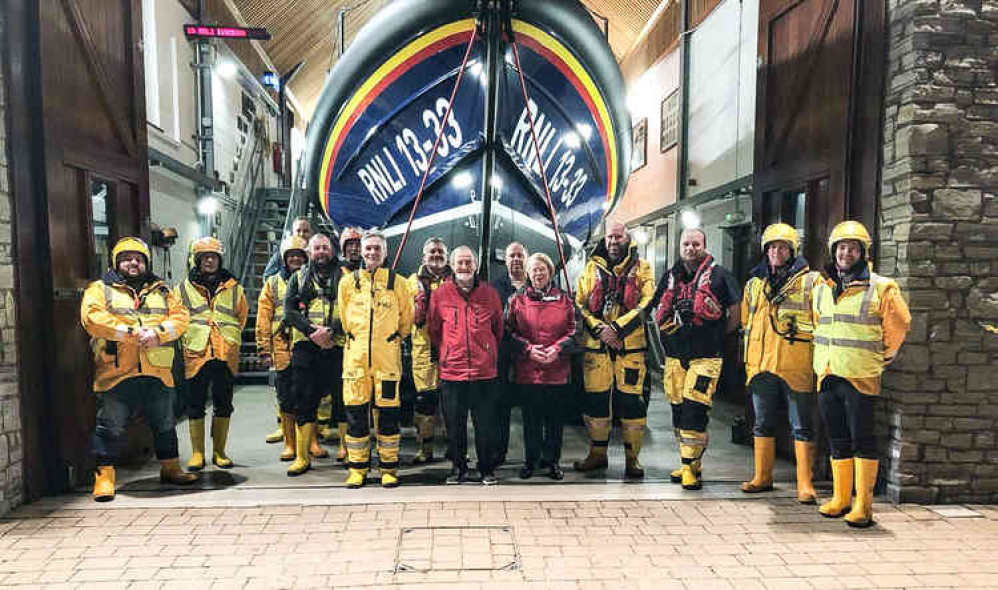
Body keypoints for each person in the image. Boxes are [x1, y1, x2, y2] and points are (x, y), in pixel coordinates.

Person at [82, 237, 199, 501]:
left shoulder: (164, 291)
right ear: (116, 262)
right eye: (127, 258)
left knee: (165, 423)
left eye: (139, 258)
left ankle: (170, 468)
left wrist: (158, 334)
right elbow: (92, 319)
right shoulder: (99, 289)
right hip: (117, 371)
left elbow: (180, 319)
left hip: (157, 369)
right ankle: (104, 478)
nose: (134, 262)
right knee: (110, 425)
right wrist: (131, 333)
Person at [812, 220, 910, 527]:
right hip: (828, 374)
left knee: (862, 439)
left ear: (863, 252)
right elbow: (820, 325)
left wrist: (883, 358)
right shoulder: (822, 286)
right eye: (841, 248)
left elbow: (900, 324)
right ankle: (841, 498)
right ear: (833, 251)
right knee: (837, 438)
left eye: (853, 248)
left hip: (860, 375)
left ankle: (863, 506)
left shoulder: (881, 287)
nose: (846, 253)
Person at [654, 228, 741, 490]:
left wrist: (715, 335)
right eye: (686, 244)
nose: (690, 248)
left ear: (704, 245)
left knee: (695, 411)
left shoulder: (721, 276)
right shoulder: (671, 276)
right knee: (678, 412)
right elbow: (658, 306)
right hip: (674, 356)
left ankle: (691, 469)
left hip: (706, 357)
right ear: (680, 246)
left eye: (695, 243)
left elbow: (736, 313)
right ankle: (689, 462)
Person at [739, 223, 819, 503]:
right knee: (762, 424)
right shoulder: (753, 284)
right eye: (772, 247)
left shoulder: (811, 282)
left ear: (792, 251)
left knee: (801, 426)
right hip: (761, 366)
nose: (776, 252)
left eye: (782, 247)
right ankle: (762, 476)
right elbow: (745, 323)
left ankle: (805, 484)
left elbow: (821, 323)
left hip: (795, 365)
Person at [574, 222, 655, 478]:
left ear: (627, 238)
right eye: (610, 237)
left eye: (618, 237)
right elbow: (580, 303)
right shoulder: (590, 268)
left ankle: (633, 460)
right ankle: (597, 455)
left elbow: (647, 301)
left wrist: (618, 330)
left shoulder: (643, 268)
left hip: (629, 350)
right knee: (596, 403)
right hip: (596, 350)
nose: (613, 241)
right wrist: (601, 330)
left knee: (632, 404)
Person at [338, 230, 413, 488]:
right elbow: (345, 319)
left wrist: (387, 341)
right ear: (361, 250)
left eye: (377, 249)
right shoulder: (347, 283)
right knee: (356, 416)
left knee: (389, 416)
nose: (371, 253)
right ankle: (357, 468)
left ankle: (388, 468)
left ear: (385, 252)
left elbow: (406, 322)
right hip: (356, 362)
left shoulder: (399, 283)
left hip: (387, 364)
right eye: (368, 248)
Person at [428, 246, 505, 485]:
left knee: (485, 425)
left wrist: (486, 352)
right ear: (451, 265)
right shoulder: (440, 294)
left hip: (484, 373)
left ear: (476, 264)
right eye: (459, 262)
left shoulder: (490, 294)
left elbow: (498, 329)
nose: (464, 267)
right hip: (453, 372)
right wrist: (450, 352)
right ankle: (458, 468)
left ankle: (486, 469)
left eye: (468, 262)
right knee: (455, 425)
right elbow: (434, 329)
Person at [176, 237, 248, 471]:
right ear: (197, 261)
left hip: (225, 351)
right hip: (196, 352)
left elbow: (241, 316)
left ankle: (220, 452)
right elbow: (177, 318)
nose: (209, 261)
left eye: (213, 257)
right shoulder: (182, 288)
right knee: (195, 403)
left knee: (224, 403)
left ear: (219, 260)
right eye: (205, 257)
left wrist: (228, 338)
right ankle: (198, 454)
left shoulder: (234, 287)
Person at [506, 253, 576, 480]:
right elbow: (507, 332)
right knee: (531, 421)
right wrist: (528, 350)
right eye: (534, 270)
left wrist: (557, 349)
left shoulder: (566, 299)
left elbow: (576, 331)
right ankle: (531, 461)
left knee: (555, 422)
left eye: (542, 269)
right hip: (529, 372)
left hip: (557, 371)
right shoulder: (515, 300)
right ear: (527, 273)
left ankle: (552, 462)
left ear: (550, 272)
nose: (538, 273)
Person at [283, 233, 344, 476]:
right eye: (316, 248)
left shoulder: (347, 278)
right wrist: (312, 332)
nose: (321, 252)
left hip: (336, 344)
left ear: (332, 251)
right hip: (305, 347)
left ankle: (346, 449)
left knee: (342, 400)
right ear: (309, 252)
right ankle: (301, 456)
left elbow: (354, 310)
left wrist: (330, 332)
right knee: (304, 400)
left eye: (325, 248)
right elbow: (289, 311)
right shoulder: (297, 278)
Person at [256, 236, 308, 463]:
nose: (295, 258)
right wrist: (263, 349)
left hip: (306, 346)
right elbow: (263, 317)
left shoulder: (312, 280)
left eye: (299, 255)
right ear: (284, 259)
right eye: (291, 255)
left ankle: (310, 443)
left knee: (307, 397)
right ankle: (290, 444)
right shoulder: (272, 283)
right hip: (280, 348)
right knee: (285, 397)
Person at [408, 237, 452, 463]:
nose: (436, 256)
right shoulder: (411, 282)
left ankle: (454, 448)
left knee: (452, 402)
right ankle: (425, 450)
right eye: (431, 252)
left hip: (451, 350)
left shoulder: (456, 281)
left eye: (440, 252)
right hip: (423, 351)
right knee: (425, 402)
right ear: (423, 257)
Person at [491, 242, 528, 466]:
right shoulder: (494, 288)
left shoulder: (538, 285)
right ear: (505, 260)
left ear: (526, 258)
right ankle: (498, 453)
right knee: (500, 409)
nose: (515, 259)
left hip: (532, 358)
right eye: (511, 255)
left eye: (519, 255)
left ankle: (537, 457)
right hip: (503, 358)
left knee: (533, 410)